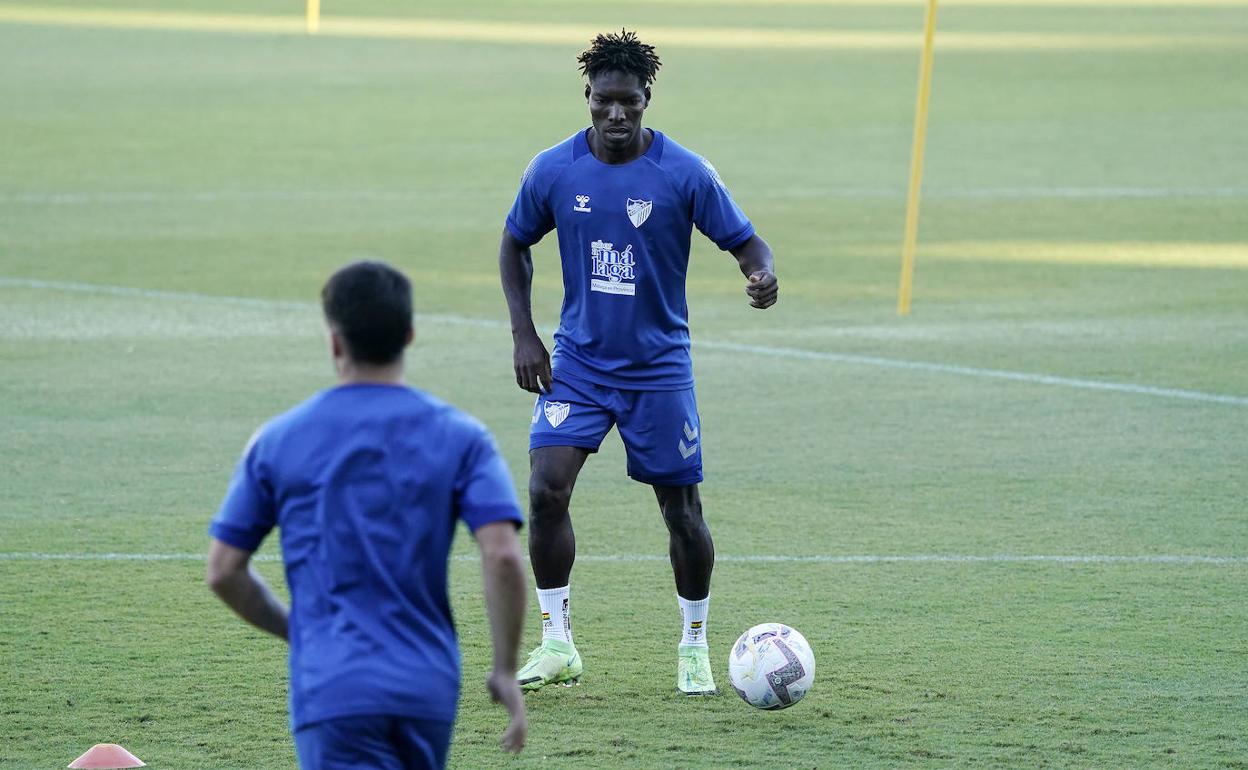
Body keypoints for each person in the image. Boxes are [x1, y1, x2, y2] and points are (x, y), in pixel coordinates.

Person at [498, 30, 779, 696]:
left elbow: (746, 241)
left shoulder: (683, 173)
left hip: (658, 371)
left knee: (681, 513)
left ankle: (692, 646)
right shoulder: (554, 169)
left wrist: (761, 274)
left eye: (629, 102)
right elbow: (514, 245)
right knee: (544, 490)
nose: (616, 115)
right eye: (604, 103)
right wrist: (524, 335)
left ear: (648, 97)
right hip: (579, 364)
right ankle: (558, 642)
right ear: (587, 97)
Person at [206, 261, 528, 769]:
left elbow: (224, 571)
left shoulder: (278, 440)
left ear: (335, 342)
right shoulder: (463, 437)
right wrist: (505, 668)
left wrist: (298, 629)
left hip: (332, 685)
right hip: (427, 684)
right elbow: (504, 556)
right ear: (409, 335)